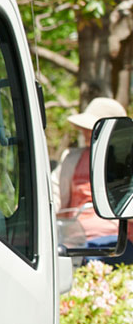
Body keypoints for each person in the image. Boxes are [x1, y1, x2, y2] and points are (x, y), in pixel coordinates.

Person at [55, 96, 130, 262]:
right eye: (86, 128)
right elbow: (53, 192)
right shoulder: (72, 158)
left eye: (92, 128)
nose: (85, 132)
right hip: (72, 237)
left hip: (113, 239)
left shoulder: (125, 163)